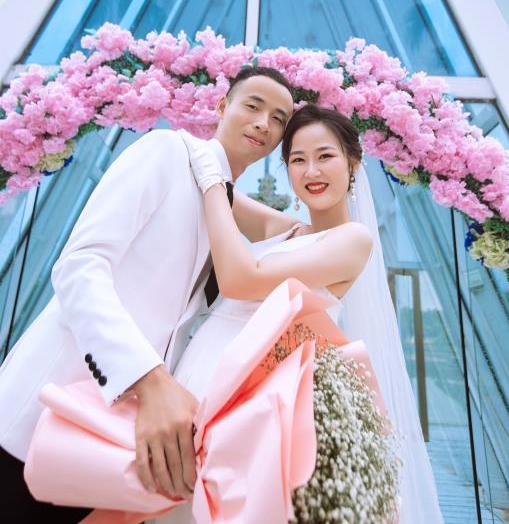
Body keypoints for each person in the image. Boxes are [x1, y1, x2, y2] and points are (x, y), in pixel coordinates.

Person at [0, 65, 295, 523]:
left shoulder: (224, 202)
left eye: (278, 119)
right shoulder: (166, 152)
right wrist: (150, 380)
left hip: (107, 443)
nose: (264, 124)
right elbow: (80, 266)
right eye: (253, 106)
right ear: (222, 106)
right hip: (38, 415)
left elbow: (289, 229)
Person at [154, 104, 444, 523]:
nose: (311, 171)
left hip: (242, 397)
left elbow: (240, 278)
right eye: (297, 159)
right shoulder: (285, 230)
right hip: (195, 377)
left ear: (353, 163)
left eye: (325, 156)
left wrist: (213, 182)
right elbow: (211, 188)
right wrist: (197, 152)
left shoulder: (353, 240)